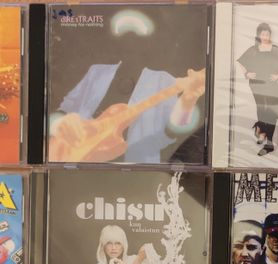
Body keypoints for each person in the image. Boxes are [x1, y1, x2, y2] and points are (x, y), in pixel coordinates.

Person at [49, 22, 206, 164]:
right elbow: (62, 110)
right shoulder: (96, 72)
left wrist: (187, 102)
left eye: (137, 39)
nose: (130, 44)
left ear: (148, 45)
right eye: (125, 37)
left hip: (137, 171)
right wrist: (60, 123)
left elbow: (170, 133)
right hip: (76, 161)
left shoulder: (164, 81)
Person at [237, 23, 278, 156]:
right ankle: (263, 132)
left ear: (270, 35)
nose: (265, 36)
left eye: (267, 34)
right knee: (260, 107)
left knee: (270, 110)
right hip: (256, 83)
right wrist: (246, 74)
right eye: (263, 34)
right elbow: (240, 62)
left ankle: (268, 140)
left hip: (271, 84)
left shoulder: (275, 49)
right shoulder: (253, 49)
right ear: (259, 35)